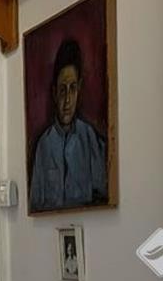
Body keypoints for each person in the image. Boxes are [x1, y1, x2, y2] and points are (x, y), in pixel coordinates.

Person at [30, 39, 108, 211]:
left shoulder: (90, 139)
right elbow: (35, 204)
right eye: (62, 90)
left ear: (79, 89)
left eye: (72, 89)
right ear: (54, 93)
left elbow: (104, 194)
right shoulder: (43, 146)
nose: (67, 100)